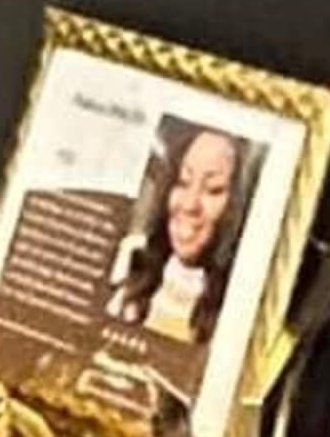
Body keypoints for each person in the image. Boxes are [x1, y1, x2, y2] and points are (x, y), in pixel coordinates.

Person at [105, 124, 250, 363]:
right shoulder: (129, 264)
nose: (190, 204)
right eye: (183, 182)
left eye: (213, 190)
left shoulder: (239, 314)